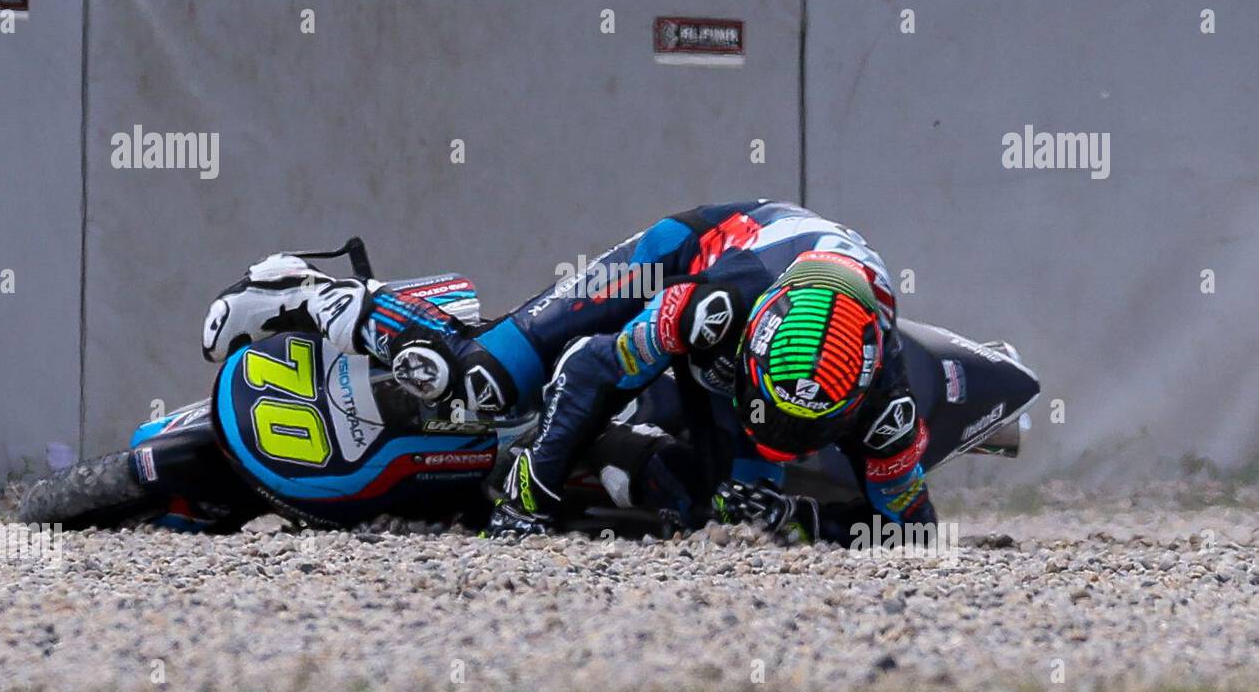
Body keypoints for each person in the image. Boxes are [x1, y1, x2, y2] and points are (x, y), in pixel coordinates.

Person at [202, 200, 935, 541]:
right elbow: (592, 366)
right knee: (485, 381)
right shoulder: (707, 306)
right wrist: (531, 495)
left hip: (787, 310)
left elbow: (911, 534)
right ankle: (313, 293)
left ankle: (622, 457)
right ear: (747, 349)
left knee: (724, 512)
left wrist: (811, 521)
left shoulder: (888, 407)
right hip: (684, 253)